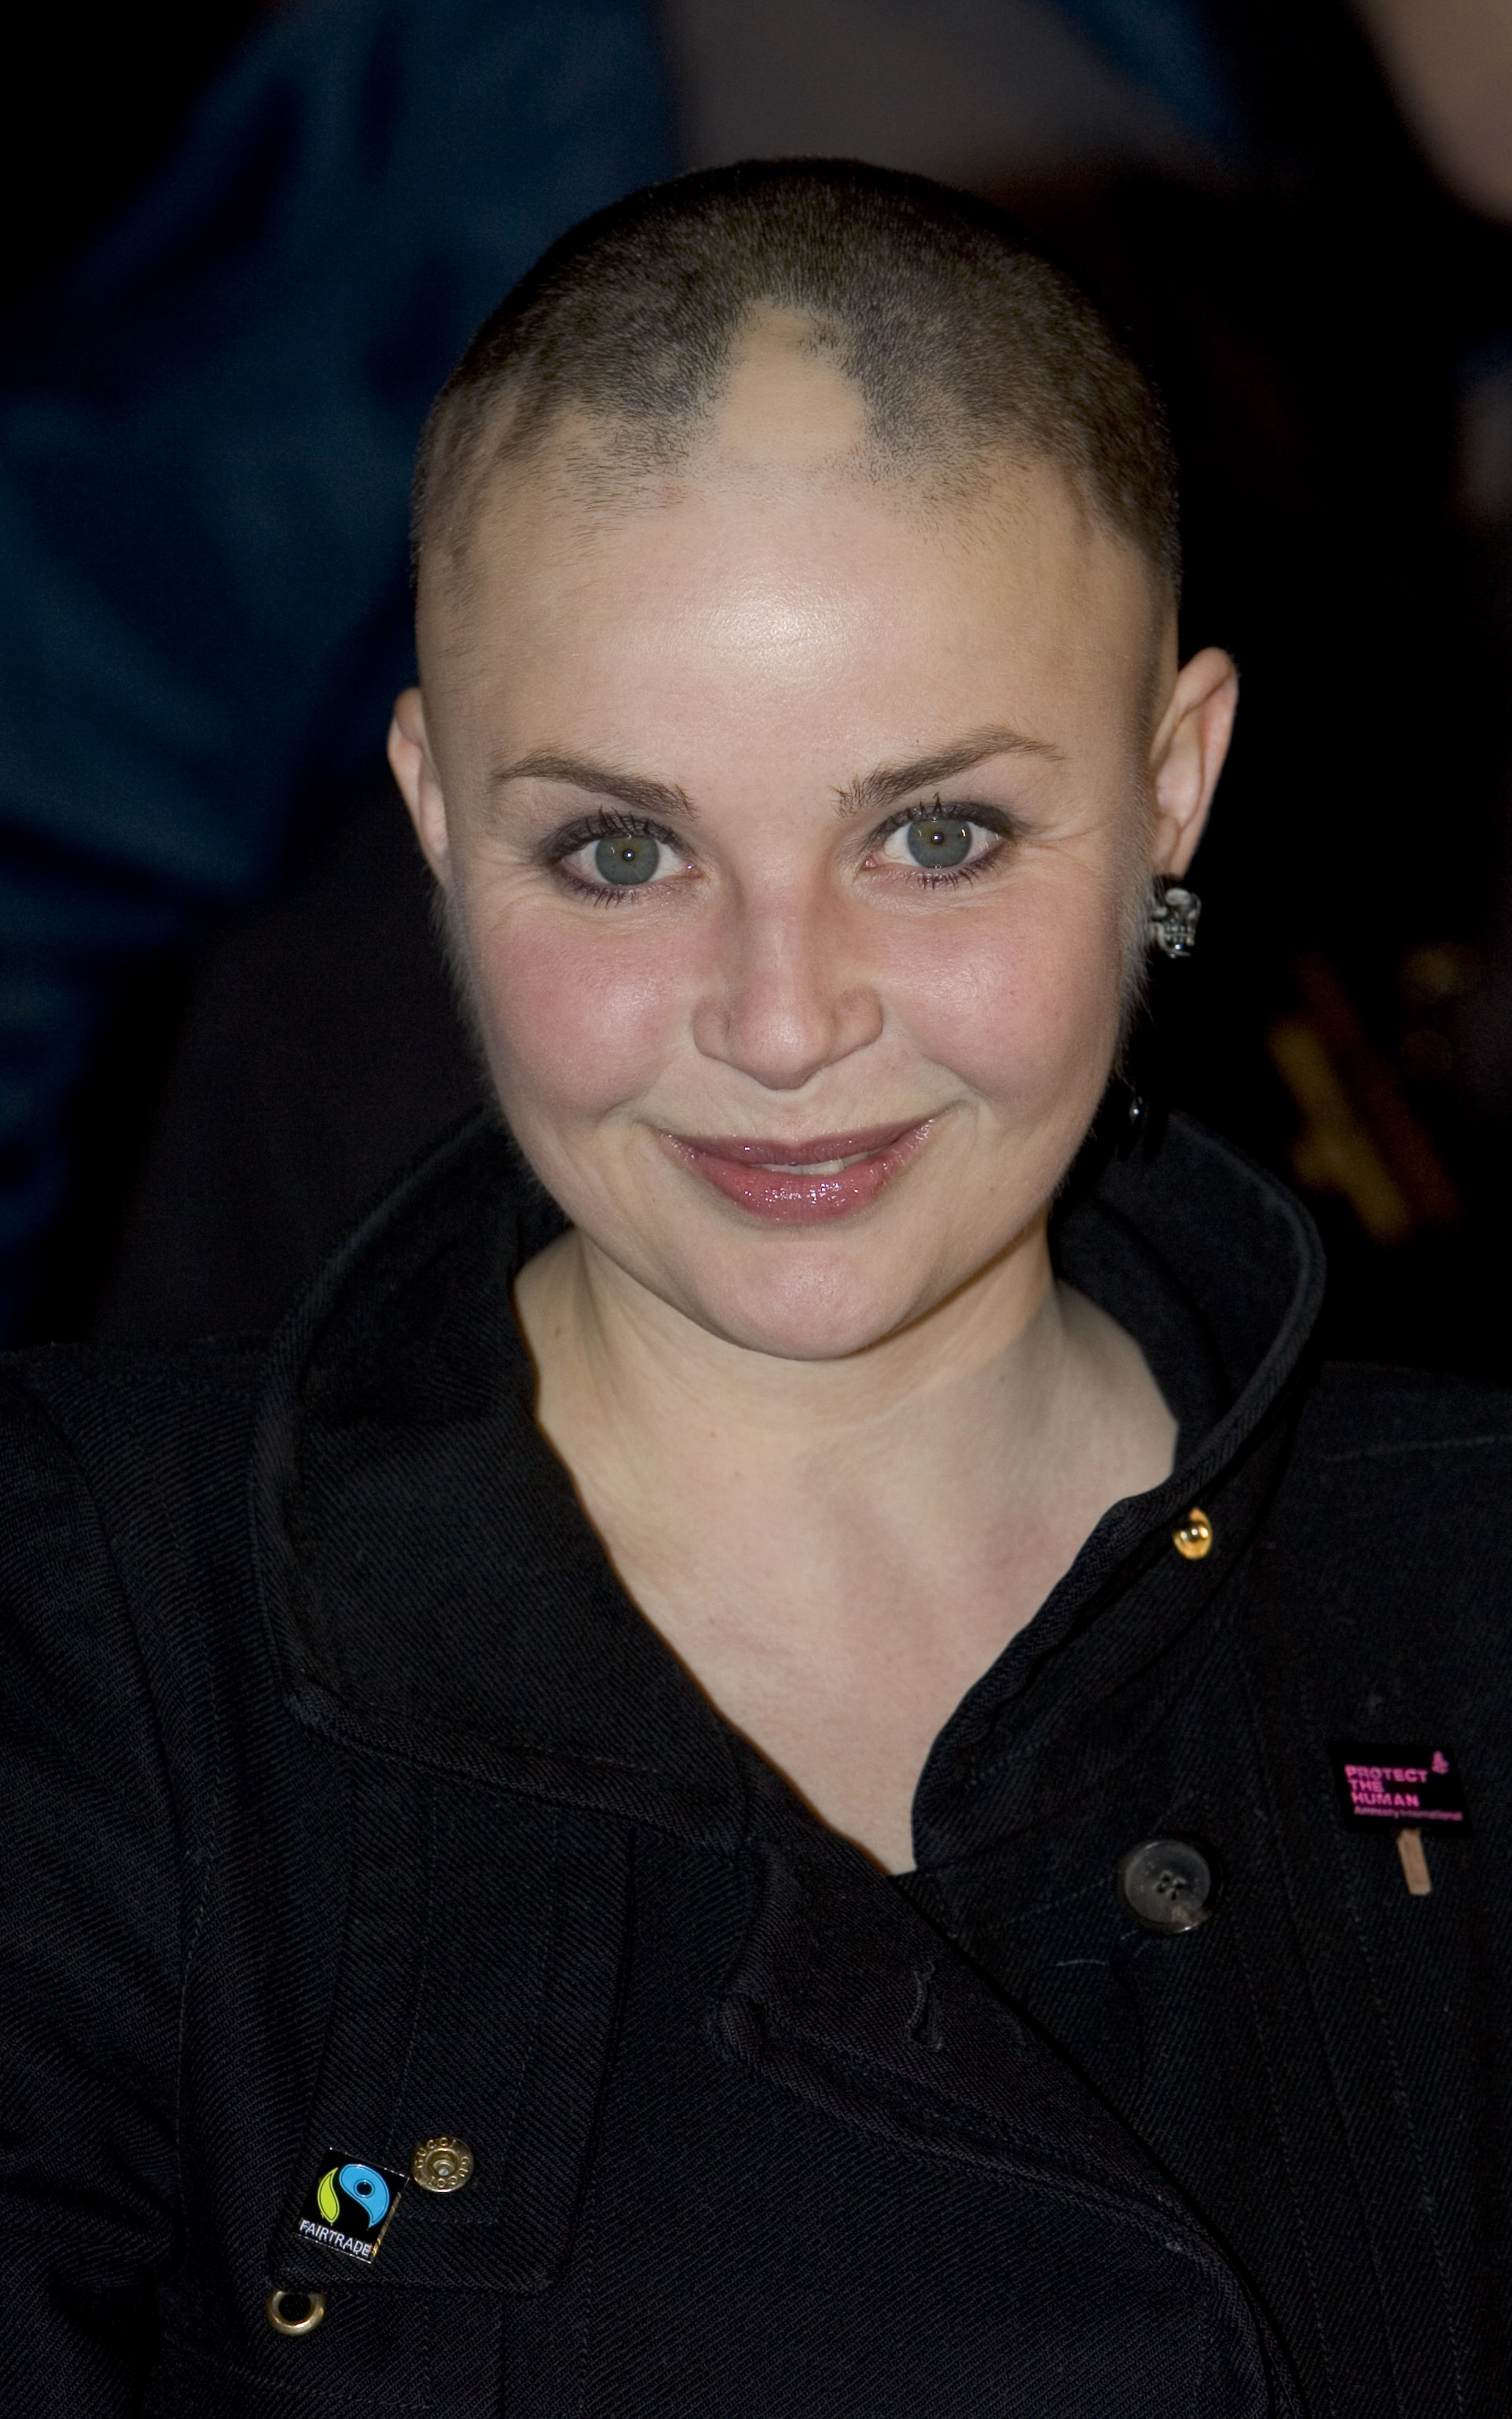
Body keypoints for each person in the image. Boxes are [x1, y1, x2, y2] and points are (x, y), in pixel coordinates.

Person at [2, 160, 1508, 2416]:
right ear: (433, 819)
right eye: (619, 849)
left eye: (935, 835)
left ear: (1171, 784)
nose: (781, 1018)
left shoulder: (1465, 1577)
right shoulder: (91, 1635)